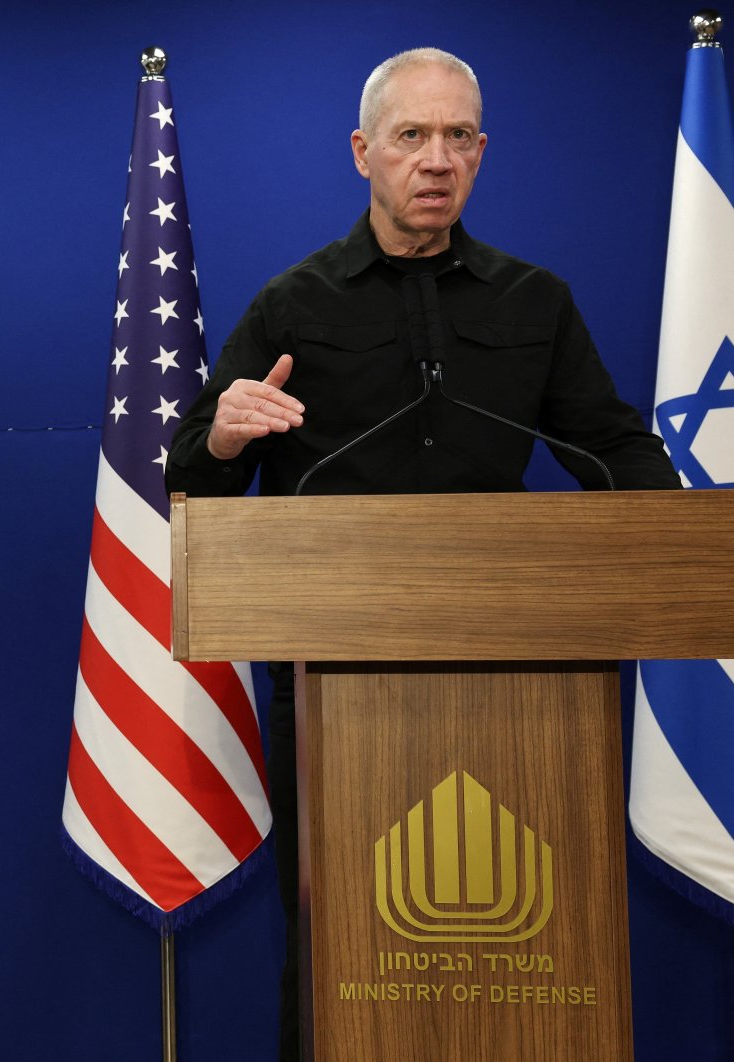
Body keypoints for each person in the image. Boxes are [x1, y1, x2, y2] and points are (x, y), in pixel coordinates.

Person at [163, 47, 678, 1061]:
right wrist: (223, 434)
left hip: (523, 679)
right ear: (364, 153)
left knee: (539, 941)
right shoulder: (293, 305)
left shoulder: (535, 304)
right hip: (329, 682)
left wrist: (665, 535)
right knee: (335, 945)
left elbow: (615, 448)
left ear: (480, 154)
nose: (434, 159)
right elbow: (194, 482)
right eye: (411, 137)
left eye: (456, 138)